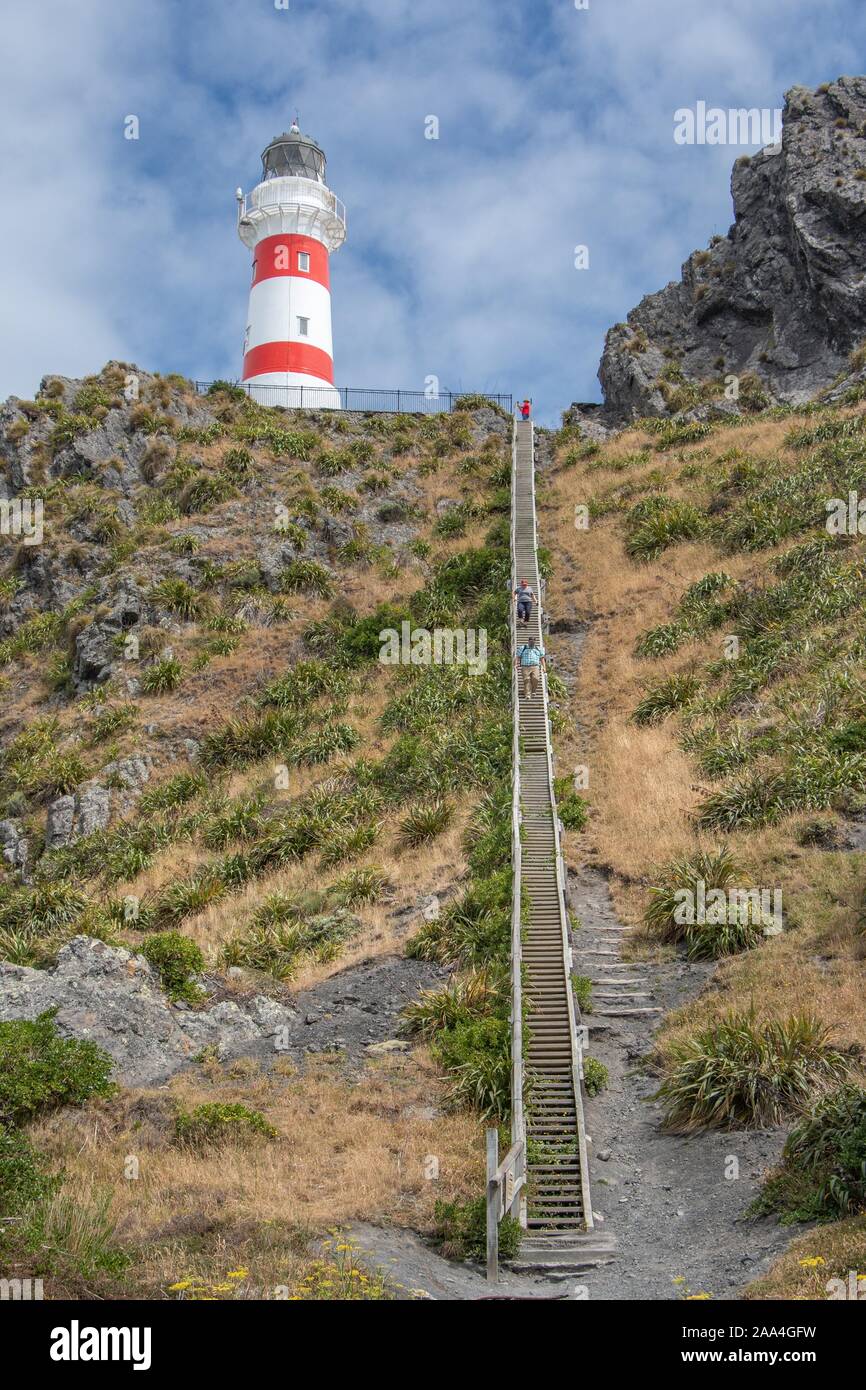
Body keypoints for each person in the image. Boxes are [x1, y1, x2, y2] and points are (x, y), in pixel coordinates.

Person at [516, 636, 545, 700]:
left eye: (533, 641)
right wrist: (516, 664)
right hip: (525, 667)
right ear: (528, 641)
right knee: (527, 680)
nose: (532, 643)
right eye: (531, 641)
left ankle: (533, 690)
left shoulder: (538, 649)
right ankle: (527, 695)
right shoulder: (523, 648)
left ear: (535, 642)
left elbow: (542, 659)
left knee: (535, 678)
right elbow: (518, 657)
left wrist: (544, 667)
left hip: (535, 666)